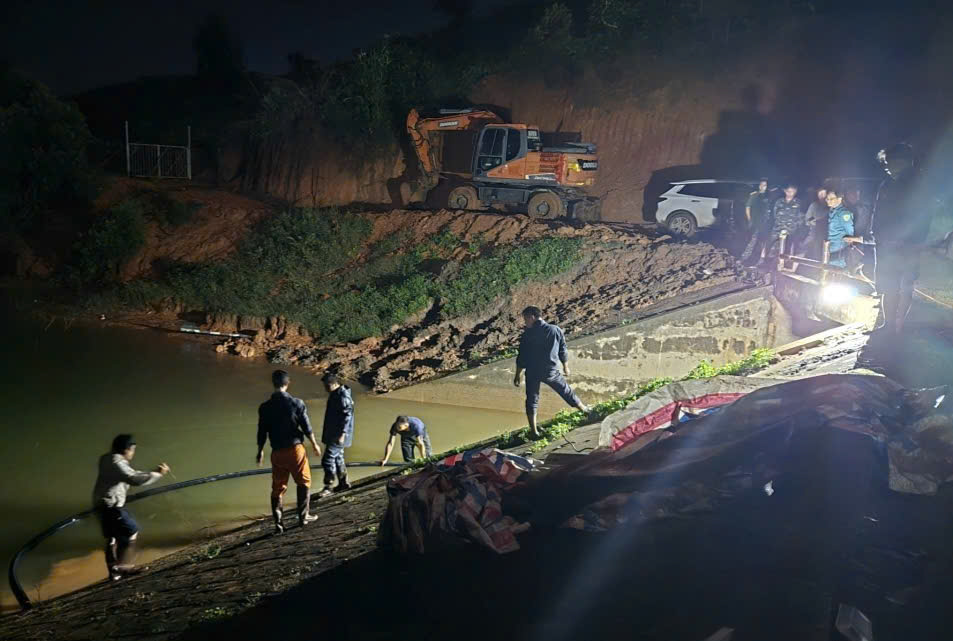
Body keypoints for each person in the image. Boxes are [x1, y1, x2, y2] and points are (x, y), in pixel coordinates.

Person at [844, 143, 934, 336]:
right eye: (885, 163)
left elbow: (923, 216)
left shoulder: (919, 184)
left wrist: (911, 239)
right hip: (885, 245)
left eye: (889, 162)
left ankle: (900, 326)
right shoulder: (886, 184)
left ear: (904, 162)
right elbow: (879, 214)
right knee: (888, 284)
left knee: (905, 284)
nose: (887, 166)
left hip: (908, 245)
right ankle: (888, 324)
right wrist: (877, 235)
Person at [92, 434, 169, 580]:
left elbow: (129, 474)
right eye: (132, 450)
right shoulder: (117, 462)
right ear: (126, 449)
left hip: (100, 504)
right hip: (112, 505)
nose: (133, 453)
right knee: (131, 531)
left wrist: (150, 473)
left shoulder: (106, 458)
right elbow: (133, 478)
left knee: (112, 538)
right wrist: (158, 474)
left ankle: (113, 573)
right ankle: (123, 567)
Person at [257, 369, 321, 533]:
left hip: (277, 453)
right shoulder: (297, 403)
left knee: (278, 488)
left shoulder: (265, 407)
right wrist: (314, 443)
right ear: (288, 383)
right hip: (295, 450)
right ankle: (303, 516)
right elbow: (306, 426)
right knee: (304, 482)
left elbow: (262, 431)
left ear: (273, 383)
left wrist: (260, 450)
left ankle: (278, 524)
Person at [513, 306, 590, 438]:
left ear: (532, 317)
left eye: (525, 319)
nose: (525, 322)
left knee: (532, 400)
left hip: (532, 371)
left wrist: (517, 375)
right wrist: (566, 367)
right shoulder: (555, 330)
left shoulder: (528, 334)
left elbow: (522, 357)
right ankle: (586, 411)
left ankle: (534, 431)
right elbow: (563, 349)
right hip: (550, 371)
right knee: (565, 390)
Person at [318, 371, 354, 497]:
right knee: (338, 458)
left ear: (332, 384)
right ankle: (343, 483)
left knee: (327, 460)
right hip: (334, 433)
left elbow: (347, 415)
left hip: (338, 435)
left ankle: (328, 487)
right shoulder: (336, 394)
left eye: (325, 386)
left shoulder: (342, 396)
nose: (325, 389)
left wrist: (342, 434)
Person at [765, 181, 803, 262]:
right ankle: (767, 263)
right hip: (778, 228)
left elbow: (800, 216)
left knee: (787, 249)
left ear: (795, 192)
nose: (790, 193)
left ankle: (783, 264)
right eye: (788, 191)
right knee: (771, 246)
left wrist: (796, 226)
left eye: (792, 191)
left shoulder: (798, 203)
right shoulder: (779, 201)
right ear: (785, 191)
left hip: (790, 230)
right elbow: (774, 214)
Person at [740, 179, 774, 264]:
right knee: (751, 240)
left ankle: (757, 259)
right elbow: (747, 207)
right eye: (761, 185)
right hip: (755, 221)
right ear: (759, 186)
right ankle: (743, 258)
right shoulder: (754, 195)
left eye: (764, 185)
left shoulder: (768, 195)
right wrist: (749, 219)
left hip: (765, 222)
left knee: (762, 241)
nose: (762, 187)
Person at [844, 183, 873, 275]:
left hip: (862, 243)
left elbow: (865, 226)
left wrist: (856, 238)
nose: (853, 197)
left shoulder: (865, 208)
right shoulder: (848, 208)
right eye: (850, 194)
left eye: (855, 194)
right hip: (852, 243)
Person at [824, 186, 854, 268]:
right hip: (829, 247)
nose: (828, 201)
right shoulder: (831, 211)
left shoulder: (844, 213)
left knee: (837, 273)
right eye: (827, 198)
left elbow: (850, 233)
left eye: (831, 198)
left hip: (839, 250)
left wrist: (847, 247)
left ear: (839, 199)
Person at [801, 185, 830, 259]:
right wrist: (814, 222)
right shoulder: (813, 205)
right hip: (813, 233)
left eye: (824, 194)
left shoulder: (830, 206)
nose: (822, 196)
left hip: (827, 234)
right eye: (820, 194)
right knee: (804, 248)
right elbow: (807, 220)